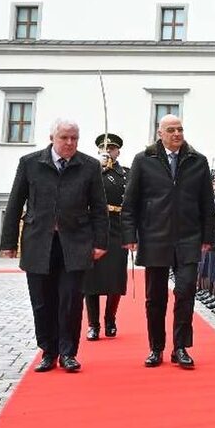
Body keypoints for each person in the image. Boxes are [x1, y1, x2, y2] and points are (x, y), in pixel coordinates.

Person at [0, 118, 108, 373]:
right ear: (52, 138)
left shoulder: (89, 166)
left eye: (74, 138)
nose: (70, 143)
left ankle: (68, 353)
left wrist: (100, 242)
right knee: (42, 301)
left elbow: (99, 208)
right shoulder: (30, 163)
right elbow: (15, 203)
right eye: (64, 138)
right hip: (39, 242)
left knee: (70, 300)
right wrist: (8, 242)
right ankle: (48, 351)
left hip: (75, 243)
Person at [122, 114, 215, 369]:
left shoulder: (197, 161)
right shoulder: (144, 160)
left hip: (188, 236)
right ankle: (156, 347)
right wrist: (129, 235)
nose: (177, 134)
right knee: (155, 297)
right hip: (155, 236)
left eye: (180, 129)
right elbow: (130, 202)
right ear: (160, 133)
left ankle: (180, 347)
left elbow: (207, 202)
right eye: (171, 130)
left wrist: (208, 236)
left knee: (185, 291)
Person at [82, 134, 128, 340]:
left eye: (112, 148)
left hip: (117, 228)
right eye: (104, 148)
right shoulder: (90, 172)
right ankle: (93, 324)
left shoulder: (125, 173)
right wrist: (98, 170)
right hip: (94, 227)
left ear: (118, 151)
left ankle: (110, 319)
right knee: (90, 279)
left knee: (115, 279)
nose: (108, 151)